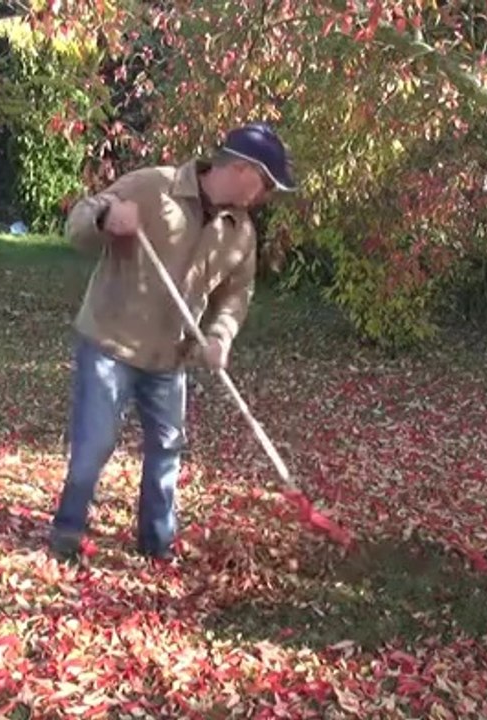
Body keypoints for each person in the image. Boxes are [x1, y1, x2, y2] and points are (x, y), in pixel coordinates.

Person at [48, 122, 296, 563]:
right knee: (97, 442)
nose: (266, 195)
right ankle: (67, 530)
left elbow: (236, 297)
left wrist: (220, 337)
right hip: (111, 342)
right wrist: (107, 217)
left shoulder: (239, 233)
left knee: (167, 448)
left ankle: (157, 544)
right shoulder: (152, 186)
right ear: (242, 169)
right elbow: (77, 226)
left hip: (170, 358)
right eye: (266, 183)